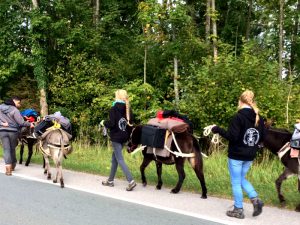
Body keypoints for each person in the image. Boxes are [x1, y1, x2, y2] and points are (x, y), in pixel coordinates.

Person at [211, 90, 265, 219]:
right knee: (241, 179)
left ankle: (238, 209)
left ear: (240, 102)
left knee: (236, 182)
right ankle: (255, 199)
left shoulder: (238, 117)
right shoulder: (259, 118)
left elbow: (232, 137)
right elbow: (263, 137)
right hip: (250, 154)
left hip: (236, 155)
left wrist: (217, 129)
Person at [101, 89, 136, 191]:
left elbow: (111, 124)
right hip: (124, 137)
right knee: (114, 158)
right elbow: (130, 124)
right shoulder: (128, 109)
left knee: (120, 159)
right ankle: (110, 181)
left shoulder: (113, 109)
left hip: (116, 137)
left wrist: (103, 123)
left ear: (117, 97)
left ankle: (131, 181)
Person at [0, 96, 34, 175]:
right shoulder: (15, 110)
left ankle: (8, 169)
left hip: (2, 131)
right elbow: (21, 122)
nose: (19, 104)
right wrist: (30, 124)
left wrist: (2, 124)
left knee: (6, 149)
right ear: (14, 101)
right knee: (12, 148)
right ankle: (13, 165)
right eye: (18, 103)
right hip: (13, 131)